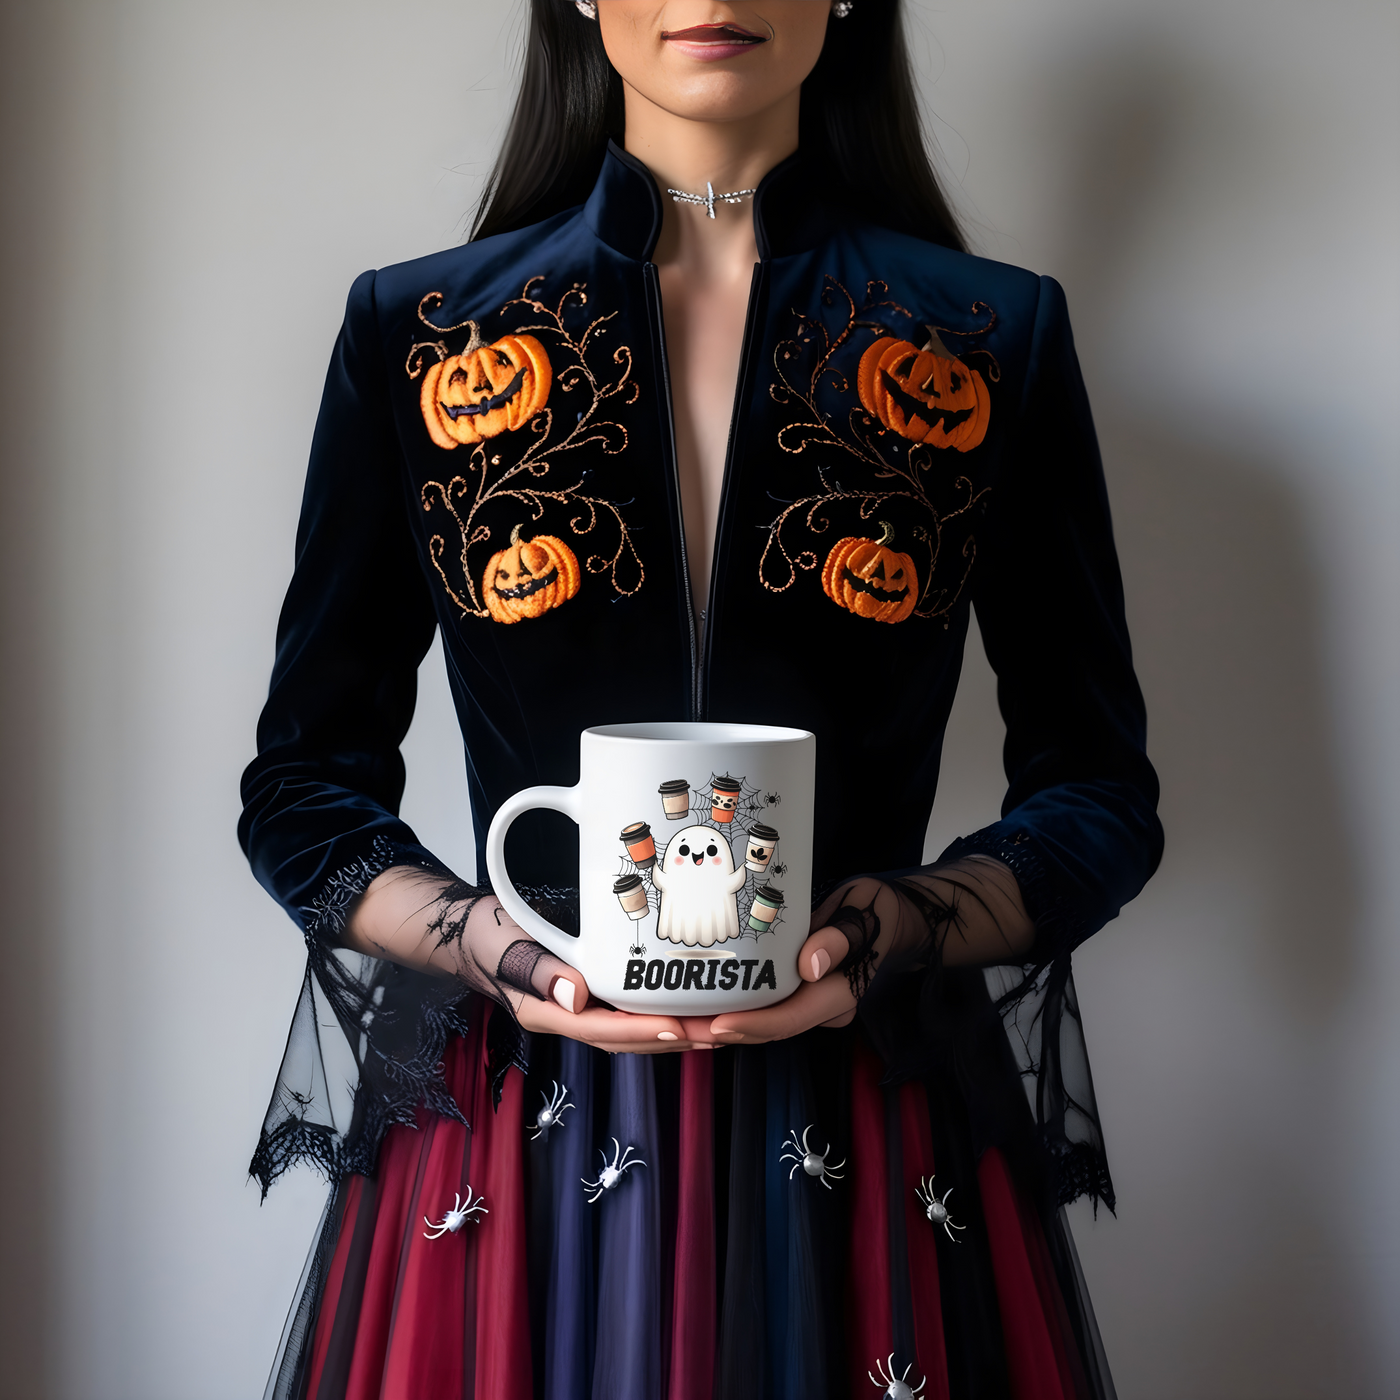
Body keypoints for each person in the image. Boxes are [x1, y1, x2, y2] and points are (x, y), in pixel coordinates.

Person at [239, 3, 1162, 1397]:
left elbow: (1096, 791)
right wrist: (503, 948)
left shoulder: (983, 339)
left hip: (865, 1118)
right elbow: (304, 793)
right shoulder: (423, 336)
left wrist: (883, 926)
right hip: (521, 1129)